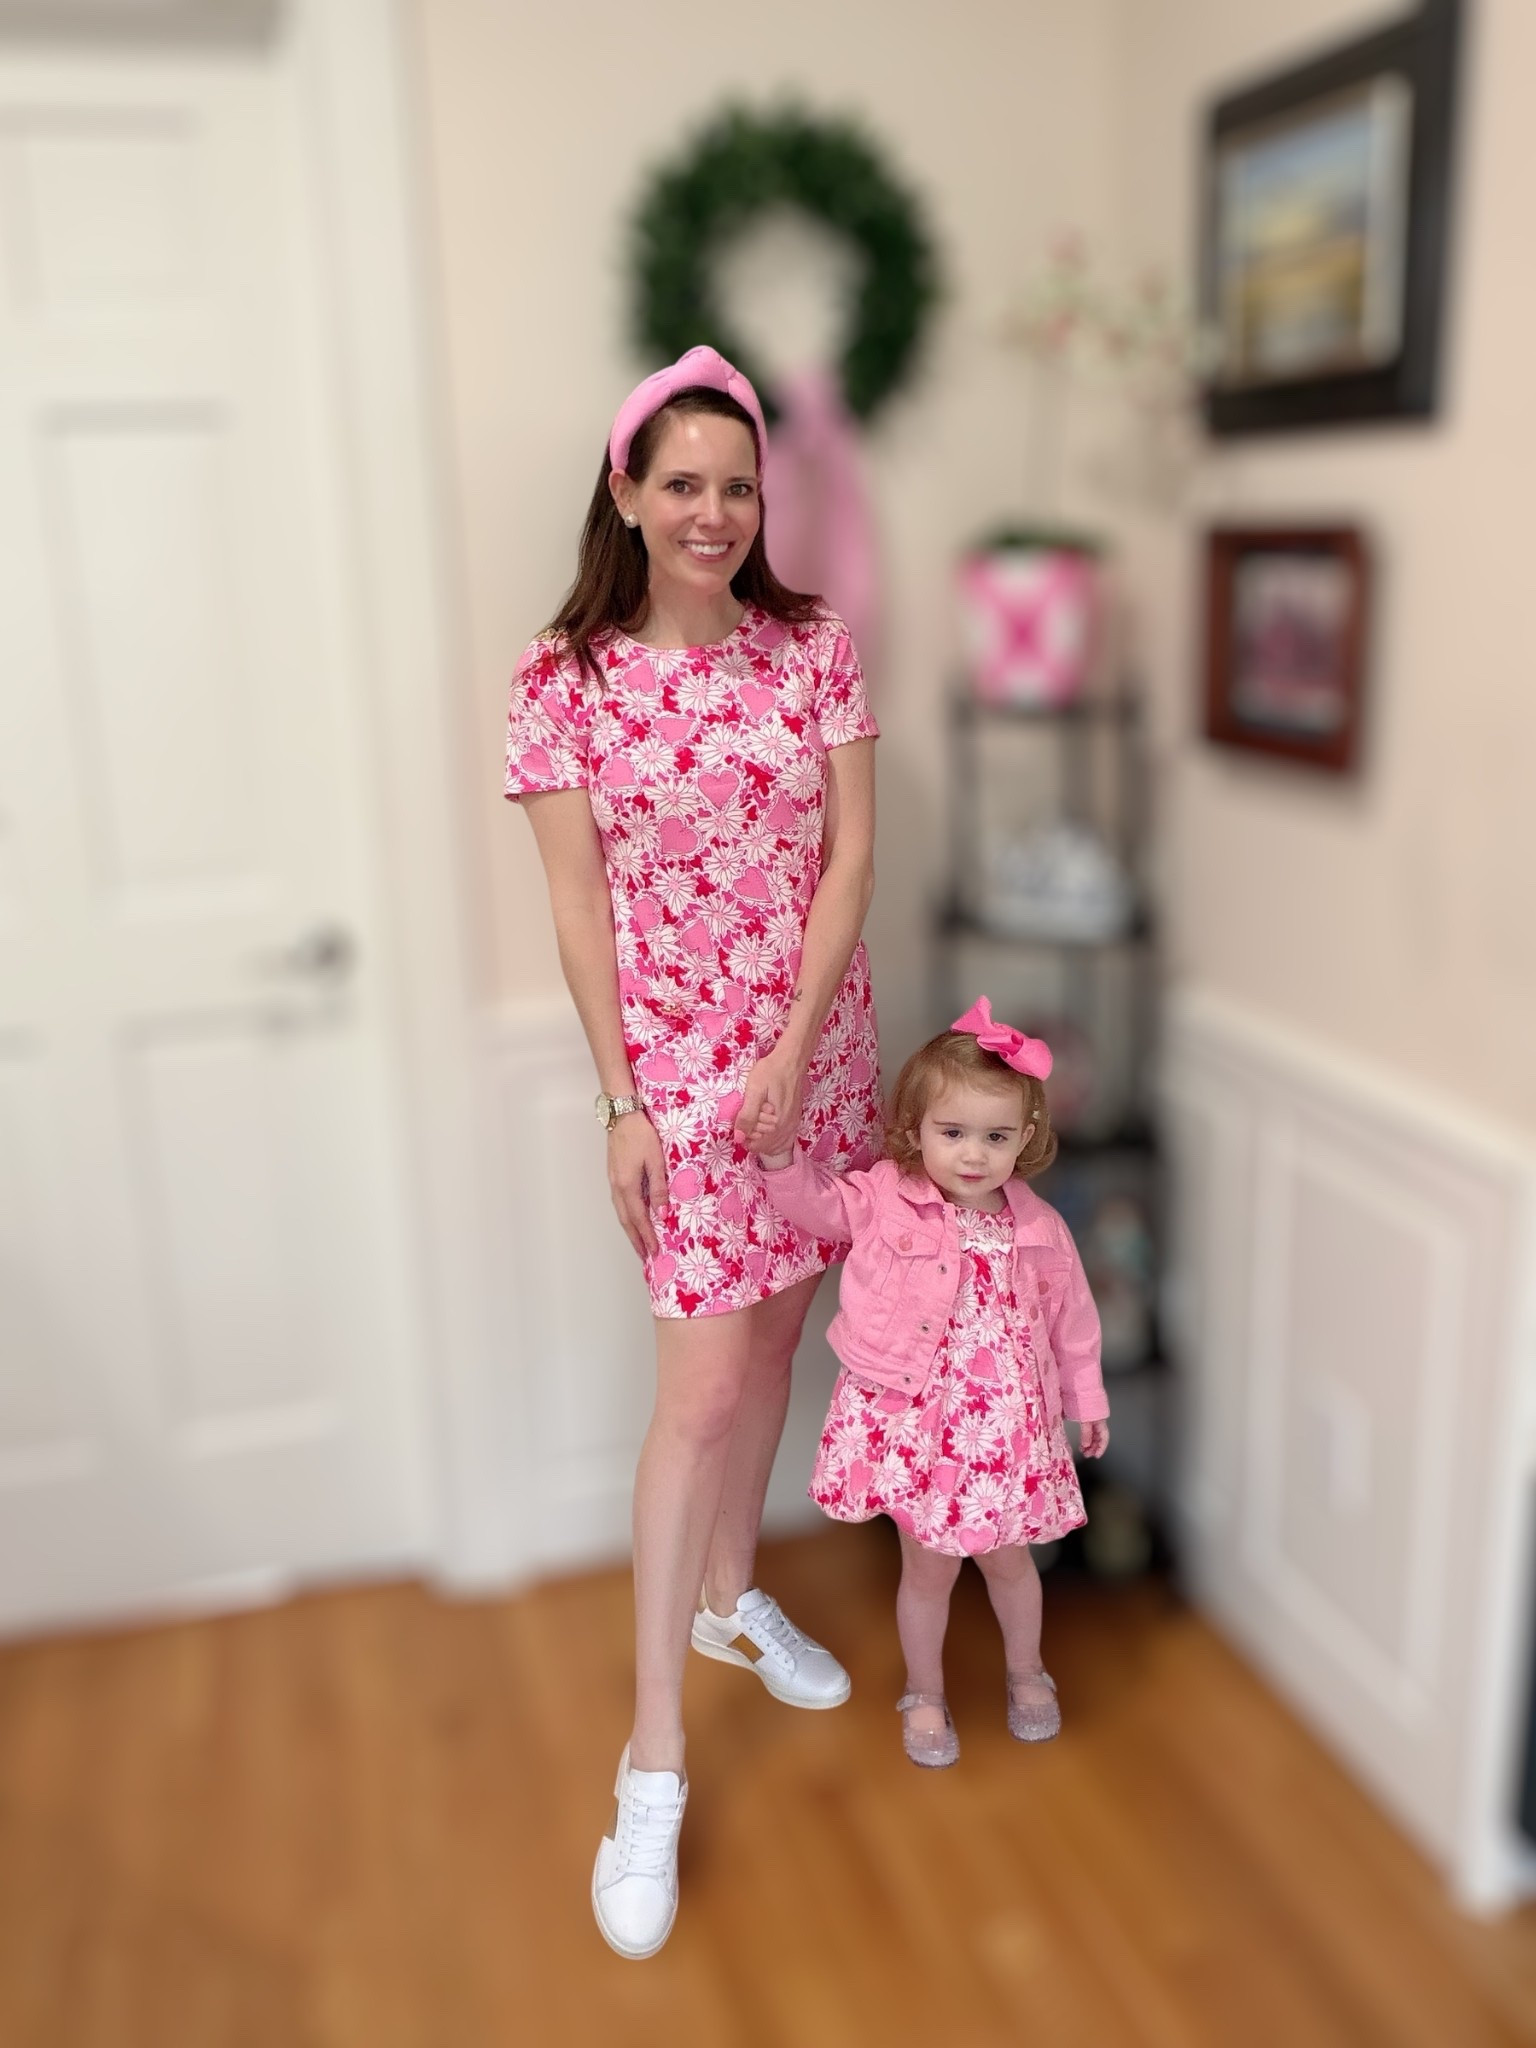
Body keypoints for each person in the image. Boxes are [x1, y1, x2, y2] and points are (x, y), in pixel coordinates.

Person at [504, 345, 882, 1957]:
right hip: (677, 1093)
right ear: (627, 496)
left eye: (738, 483)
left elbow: (856, 848)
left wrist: (801, 1049)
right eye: (683, 483)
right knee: (701, 1394)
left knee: (784, 1334)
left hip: (821, 1062)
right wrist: (618, 1100)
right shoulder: (562, 684)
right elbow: (580, 912)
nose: (714, 510)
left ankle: (735, 1596)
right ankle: (651, 1755)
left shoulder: (813, 651)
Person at [755, 997, 1109, 1768]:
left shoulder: (1039, 1229)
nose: (973, 1155)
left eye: (995, 1136)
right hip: (921, 1426)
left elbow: (1073, 1322)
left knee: (1012, 1562)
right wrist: (781, 1161)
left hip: (1004, 1429)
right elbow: (819, 1207)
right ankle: (924, 1690)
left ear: (1026, 1139)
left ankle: (1027, 1671)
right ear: (916, 1131)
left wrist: (1086, 1400)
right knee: (928, 1569)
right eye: (953, 1133)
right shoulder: (886, 1198)